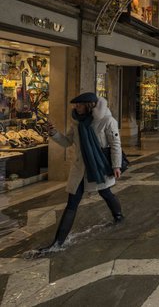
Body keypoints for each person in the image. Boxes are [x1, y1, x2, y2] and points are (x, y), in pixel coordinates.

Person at [40, 92, 124, 253]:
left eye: (79, 104)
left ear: (89, 105)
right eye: (75, 105)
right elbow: (67, 142)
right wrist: (53, 133)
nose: (76, 107)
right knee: (72, 203)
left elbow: (115, 144)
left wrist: (116, 166)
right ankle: (57, 243)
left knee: (106, 193)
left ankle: (118, 215)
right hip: (80, 169)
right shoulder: (77, 124)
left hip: (98, 167)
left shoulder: (107, 121)